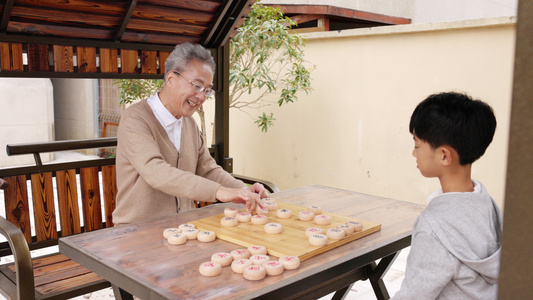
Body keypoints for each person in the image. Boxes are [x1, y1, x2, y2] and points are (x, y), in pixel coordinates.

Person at [112, 43, 268, 225]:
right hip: (138, 232)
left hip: (184, 228)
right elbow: (155, 171)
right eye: (197, 86)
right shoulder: (135, 118)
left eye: (207, 90)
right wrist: (219, 191)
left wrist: (244, 190)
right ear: (170, 79)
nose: (201, 96)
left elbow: (208, 169)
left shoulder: (189, 123)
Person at [391, 92, 503, 300]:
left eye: (417, 145)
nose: (414, 153)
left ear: (444, 155)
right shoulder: (487, 203)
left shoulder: (433, 228)